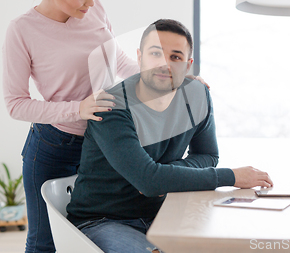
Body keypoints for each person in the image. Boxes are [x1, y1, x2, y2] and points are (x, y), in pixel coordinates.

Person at [3, 0, 205, 252]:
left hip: (102, 143)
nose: (90, 2)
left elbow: (117, 60)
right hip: (54, 146)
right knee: (44, 242)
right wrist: (77, 108)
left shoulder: (94, 8)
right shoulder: (22, 30)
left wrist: (170, 77)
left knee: (94, 234)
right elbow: (16, 104)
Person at [66, 19, 273, 253]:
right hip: (103, 220)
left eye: (175, 57)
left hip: (165, 213)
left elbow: (208, 154)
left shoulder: (197, 96)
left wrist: (165, 172)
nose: (164, 64)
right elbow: (150, 181)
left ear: (187, 64)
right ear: (140, 57)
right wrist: (231, 177)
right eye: (156, 53)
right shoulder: (111, 106)